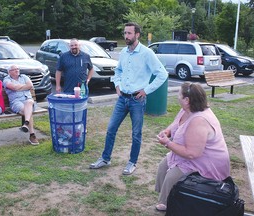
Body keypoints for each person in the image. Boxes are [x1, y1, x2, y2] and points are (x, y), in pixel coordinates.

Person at [89, 22, 168, 175]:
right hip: (122, 99)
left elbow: (162, 74)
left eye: (129, 33)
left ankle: (132, 162)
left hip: (137, 101)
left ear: (137, 34)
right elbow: (118, 70)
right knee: (111, 129)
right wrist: (117, 84)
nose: (126, 36)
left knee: (136, 133)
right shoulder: (124, 52)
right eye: (125, 33)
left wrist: (146, 90)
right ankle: (105, 158)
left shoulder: (146, 53)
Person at [155, 82, 230, 211]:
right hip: (191, 155)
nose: (177, 96)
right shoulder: (186, 110)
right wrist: (167, 132)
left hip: (206, 162)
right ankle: (169, 199)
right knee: (163, 166)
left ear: (187, 100)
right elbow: (175, 124)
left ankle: (172, 204)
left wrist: (168, 143)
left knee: (173, 175)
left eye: (179, 94)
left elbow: (192, 154)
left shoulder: (199, 121)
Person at [3, 65, 39, 145]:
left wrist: (18, 87)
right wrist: (24, 87)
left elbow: (30, 85)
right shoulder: (6, 80)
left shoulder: (24, 77)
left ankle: (27, 125)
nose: (17, 70)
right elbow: (14, 87)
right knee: (28, 111)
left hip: (28, 100)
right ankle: (31, 134)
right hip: (16, 102)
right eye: (14, 69)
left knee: (29, 102)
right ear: (9, 72)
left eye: (17, 69)